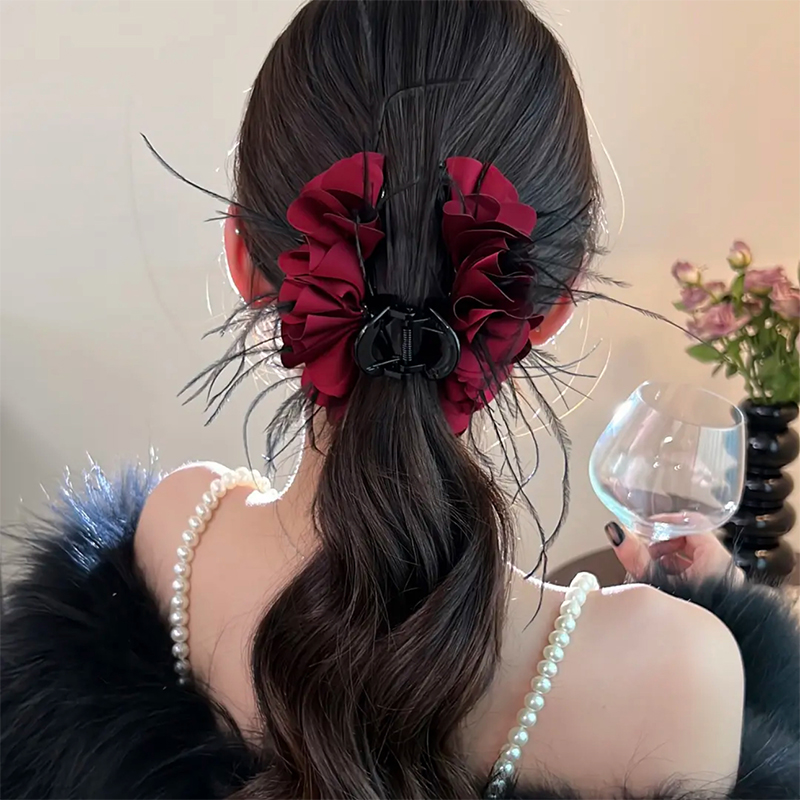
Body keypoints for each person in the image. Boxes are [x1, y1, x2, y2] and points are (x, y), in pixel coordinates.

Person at [1, 2, 797, 798]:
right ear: (551, 306)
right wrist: (739, 621)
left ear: (242, 260)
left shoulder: (174, 539)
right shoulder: (681, 675)